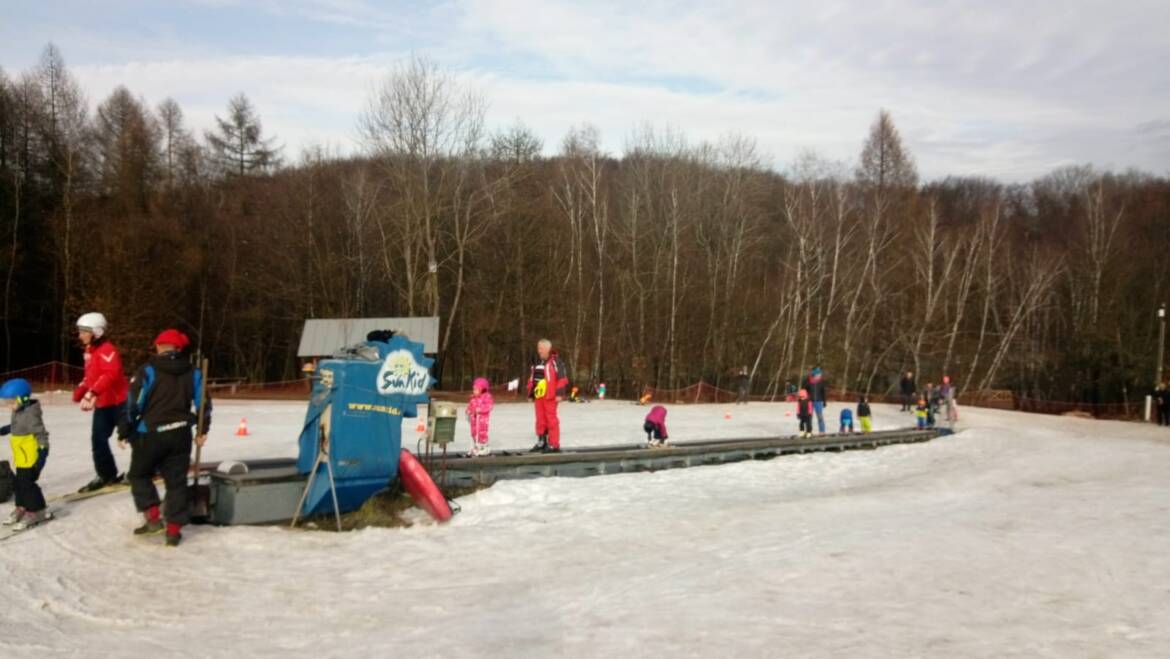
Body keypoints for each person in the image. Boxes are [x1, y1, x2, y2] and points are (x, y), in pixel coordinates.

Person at [118, 329, 210, 548]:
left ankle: (152, 517)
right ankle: (173, 531)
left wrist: (124, 430)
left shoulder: (148, 371)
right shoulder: (194, 372)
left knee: (139, 475)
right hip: (181, 434)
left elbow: (133, 404)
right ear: (178, 348)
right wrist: (202, 430)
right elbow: (204, 402)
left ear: (159, 346)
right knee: (176, 481)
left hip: (150, 434)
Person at [72, 312, 129, 493]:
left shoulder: (107, 350)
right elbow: (91, 376)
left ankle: (147, 468)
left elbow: (110, 374)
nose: (80, 335)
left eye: (83, 331)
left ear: (96, 332)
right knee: (98, 440)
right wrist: (82, 389)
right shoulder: (90, 351)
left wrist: (93, 392)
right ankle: (106, 474)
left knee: (132, 436)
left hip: (120, 401)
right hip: (103, 404)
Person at [0, 379, 50, 531]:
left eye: (11, 401)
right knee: (18, 484)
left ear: (23, 398)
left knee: (27, 485)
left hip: (30, 456)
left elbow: (41, 433)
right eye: (7, 402)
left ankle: (37, 511)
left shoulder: (31, 415)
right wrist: (5, 429)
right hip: (21, 456)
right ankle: (22, 507)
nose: (9, 405)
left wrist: (42, 454)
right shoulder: (19, 410)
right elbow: (17, 426)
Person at [526, 338, 569, 453]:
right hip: (539, 395)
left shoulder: (556, 361)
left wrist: (559, 394)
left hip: (550, 395)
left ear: (547, 349)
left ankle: (554, 444)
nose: (538, 350)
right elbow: (532, 378)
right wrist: (530, 394)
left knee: (551, 419)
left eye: (540, 348)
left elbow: (562, 378)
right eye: (538, 348)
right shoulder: (536, 361)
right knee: (540, 419)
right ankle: (542, 441)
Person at [466, 377, 493, 457]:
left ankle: (484, 447)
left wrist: (480, 409)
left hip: (482, 420)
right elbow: (470, 406)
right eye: (474, 389)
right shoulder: (473, 399)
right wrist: (468, 411)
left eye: (476, 389)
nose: (474, 391)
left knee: (481, 433)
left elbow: (489, 406)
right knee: (474, 433)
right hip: (474, 420)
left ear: (482, 389)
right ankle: (476, 446)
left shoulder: (486, 397)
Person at [801, 367, 828, 434]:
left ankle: (822, 431)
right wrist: (803, 401)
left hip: (819, 402)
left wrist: (824, 401)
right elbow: (803, 392)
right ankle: (809, 431)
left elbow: (823, 392)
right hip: (809, 402)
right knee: (809, 417)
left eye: (820, 375)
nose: (820, 376)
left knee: (820, 417)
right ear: (814, 374)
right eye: (818, 375)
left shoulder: (821, 382)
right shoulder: (807, 381)